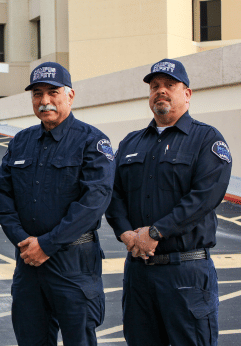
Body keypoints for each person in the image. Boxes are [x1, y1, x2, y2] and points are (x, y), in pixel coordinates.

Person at [105, 58, 232, 346]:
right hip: (139, 272)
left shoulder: (206, 139)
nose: (160, 91)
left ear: (187, 94)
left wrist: (155, 232)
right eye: (154, 86)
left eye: (169, 85)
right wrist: (125, 232)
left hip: (185, 274)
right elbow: (112, 194)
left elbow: (204, 197)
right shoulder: (130, 143)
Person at [0, 62, 115, 346]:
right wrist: (23, 240)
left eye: (52, 92)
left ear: (70, 95)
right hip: (28, 264)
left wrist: (47, 244)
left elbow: (94, 200)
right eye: (37, 93)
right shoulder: (21, 141)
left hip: (74, 264)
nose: (44, 100)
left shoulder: (92, 141)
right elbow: (2, 193)